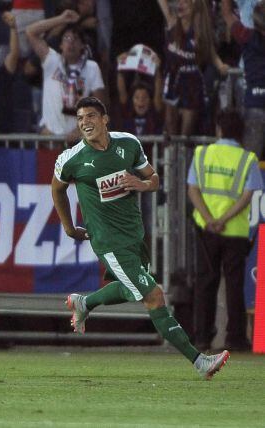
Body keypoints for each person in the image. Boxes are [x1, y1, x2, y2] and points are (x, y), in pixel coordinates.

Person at [51, 96, 230, 380]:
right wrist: (69, 227)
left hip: (134, 235)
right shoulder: (72, 159)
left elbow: (154, 177)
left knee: (128, 288)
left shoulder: (128, 144)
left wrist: (142, 184)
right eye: (80, 118)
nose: (85, 122)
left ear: (105, 119)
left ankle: (84, 303)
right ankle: (200, 362)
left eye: (91, 116)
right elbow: (57, 189)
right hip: (107, 240)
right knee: (154, 295)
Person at [187, 110, 261, 352]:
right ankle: (235, 337)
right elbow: (248, 195)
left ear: (218, 129)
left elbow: (193, 190)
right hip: (235, 231)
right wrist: (224, 219)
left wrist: (209, 219)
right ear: (240, 132)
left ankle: (202, 337)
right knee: (234, 284)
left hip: (205, 229)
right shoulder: (248, 159)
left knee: (205, 282)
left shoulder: (202, 154)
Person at [26, 10, 105, 141]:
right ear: (61, 45)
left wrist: (82, 129)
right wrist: (61, 19)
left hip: (78, 141)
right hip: (49, 137)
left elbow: (100, 105)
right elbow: (30, 31)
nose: (71, 42)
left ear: (82, 46)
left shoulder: (92, 67)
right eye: (67, 38)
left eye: (75, 39)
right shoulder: (51, 60)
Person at [156, 0, 228, 136]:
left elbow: (211, 52)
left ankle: (183, 154)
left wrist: (220, 65)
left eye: (185, 3)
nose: (180, 5)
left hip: (191, 79)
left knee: (187, 129)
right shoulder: (172, 22)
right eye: (179, 3)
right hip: (173, 75)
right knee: (170, 121)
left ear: (194, 7)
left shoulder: (199, 31)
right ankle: (171, 154)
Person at [221, 0, 265, 159]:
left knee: (249, 163)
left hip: (254, 105)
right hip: (254, 107)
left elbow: (227, 14)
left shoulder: (246, 36)